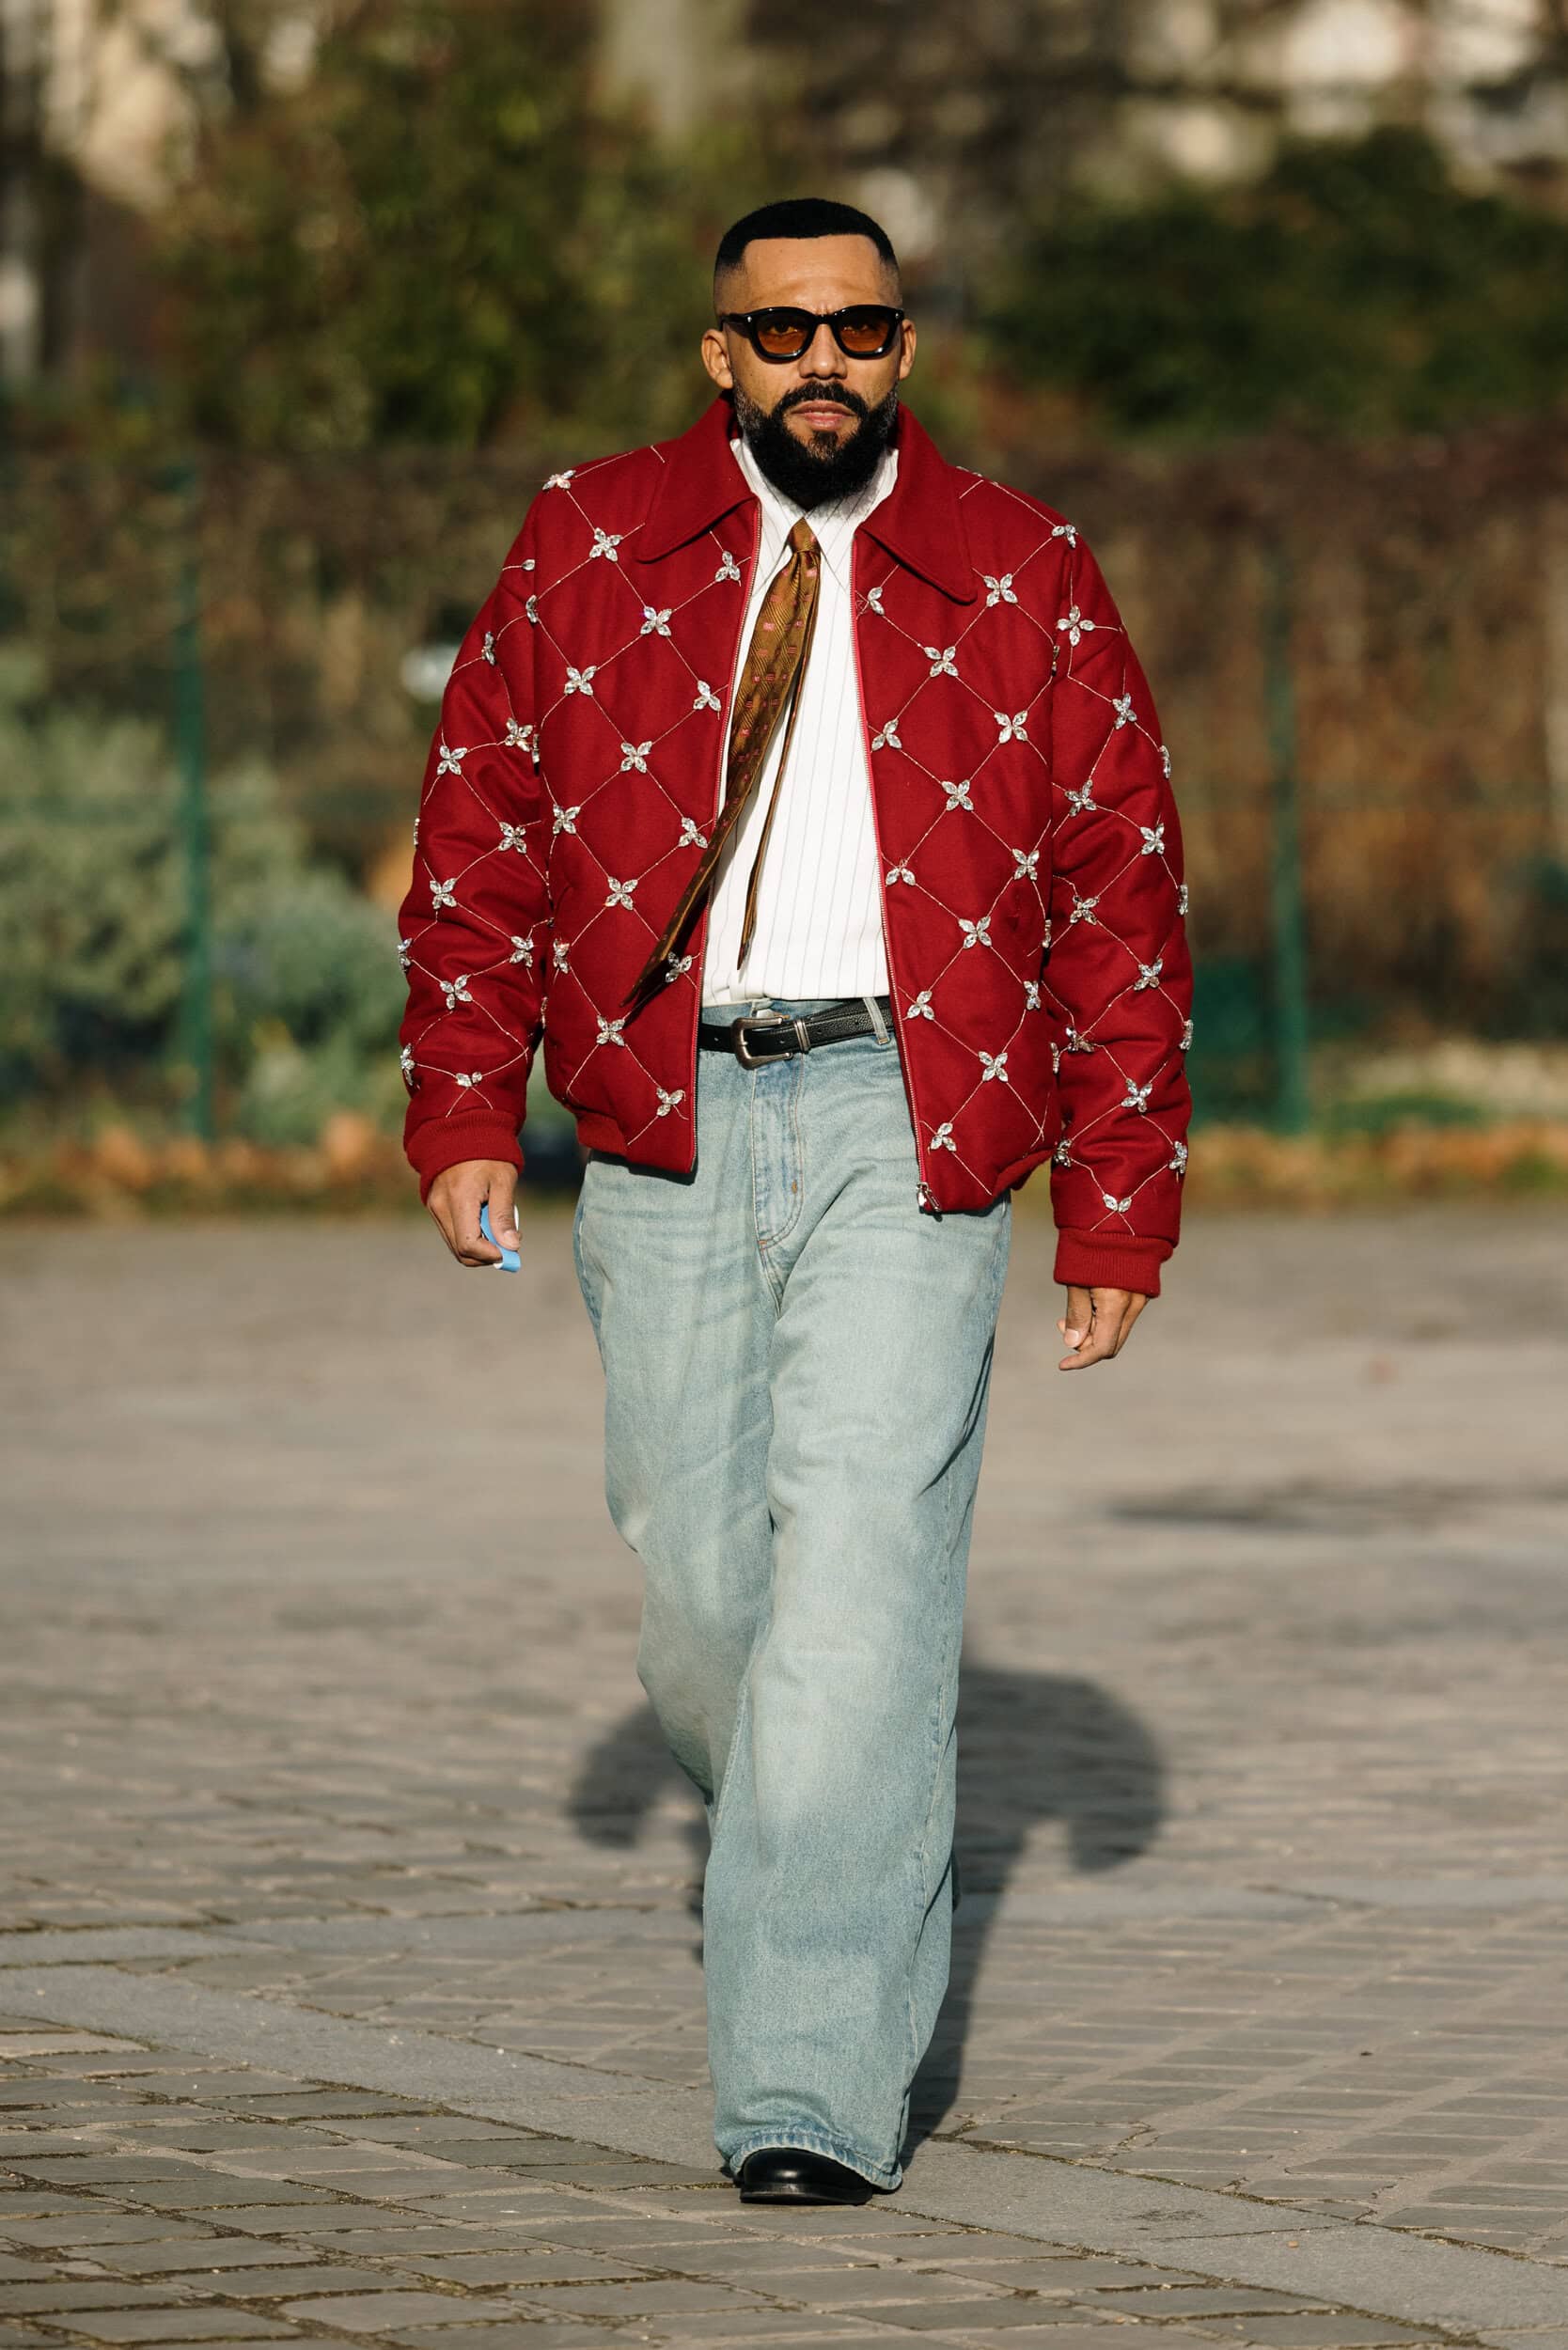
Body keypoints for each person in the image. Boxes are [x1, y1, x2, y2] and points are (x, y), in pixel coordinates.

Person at [397, 196, 1193, 2205]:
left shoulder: (1023, 566)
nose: (821, 360)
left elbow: (1121, 893)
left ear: (904, 349)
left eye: (859, 327)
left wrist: (1117, 1199)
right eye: (781, 331)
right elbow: (482, 829)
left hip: (913, 1116)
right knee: (704, 1600)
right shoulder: (591, 543)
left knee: (856, 1586)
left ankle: (806, 2088)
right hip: (664, 1115)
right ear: (720, 354)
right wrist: (463, 1102)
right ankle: (825, 1831)